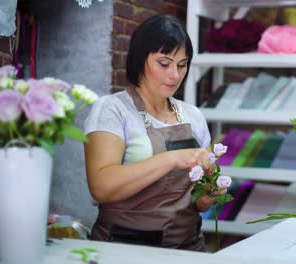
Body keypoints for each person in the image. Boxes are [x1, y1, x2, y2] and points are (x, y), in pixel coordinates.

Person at [83, 14, 215, 251]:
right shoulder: (112, 109)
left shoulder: (193, 115)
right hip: (124, 250)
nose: (174, 75)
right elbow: (101, 187)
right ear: (139, 59)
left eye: (182, 65)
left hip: (188, 249)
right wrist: (172, 158)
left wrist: (209, 194)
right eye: (164, 63)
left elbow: (202, 204)